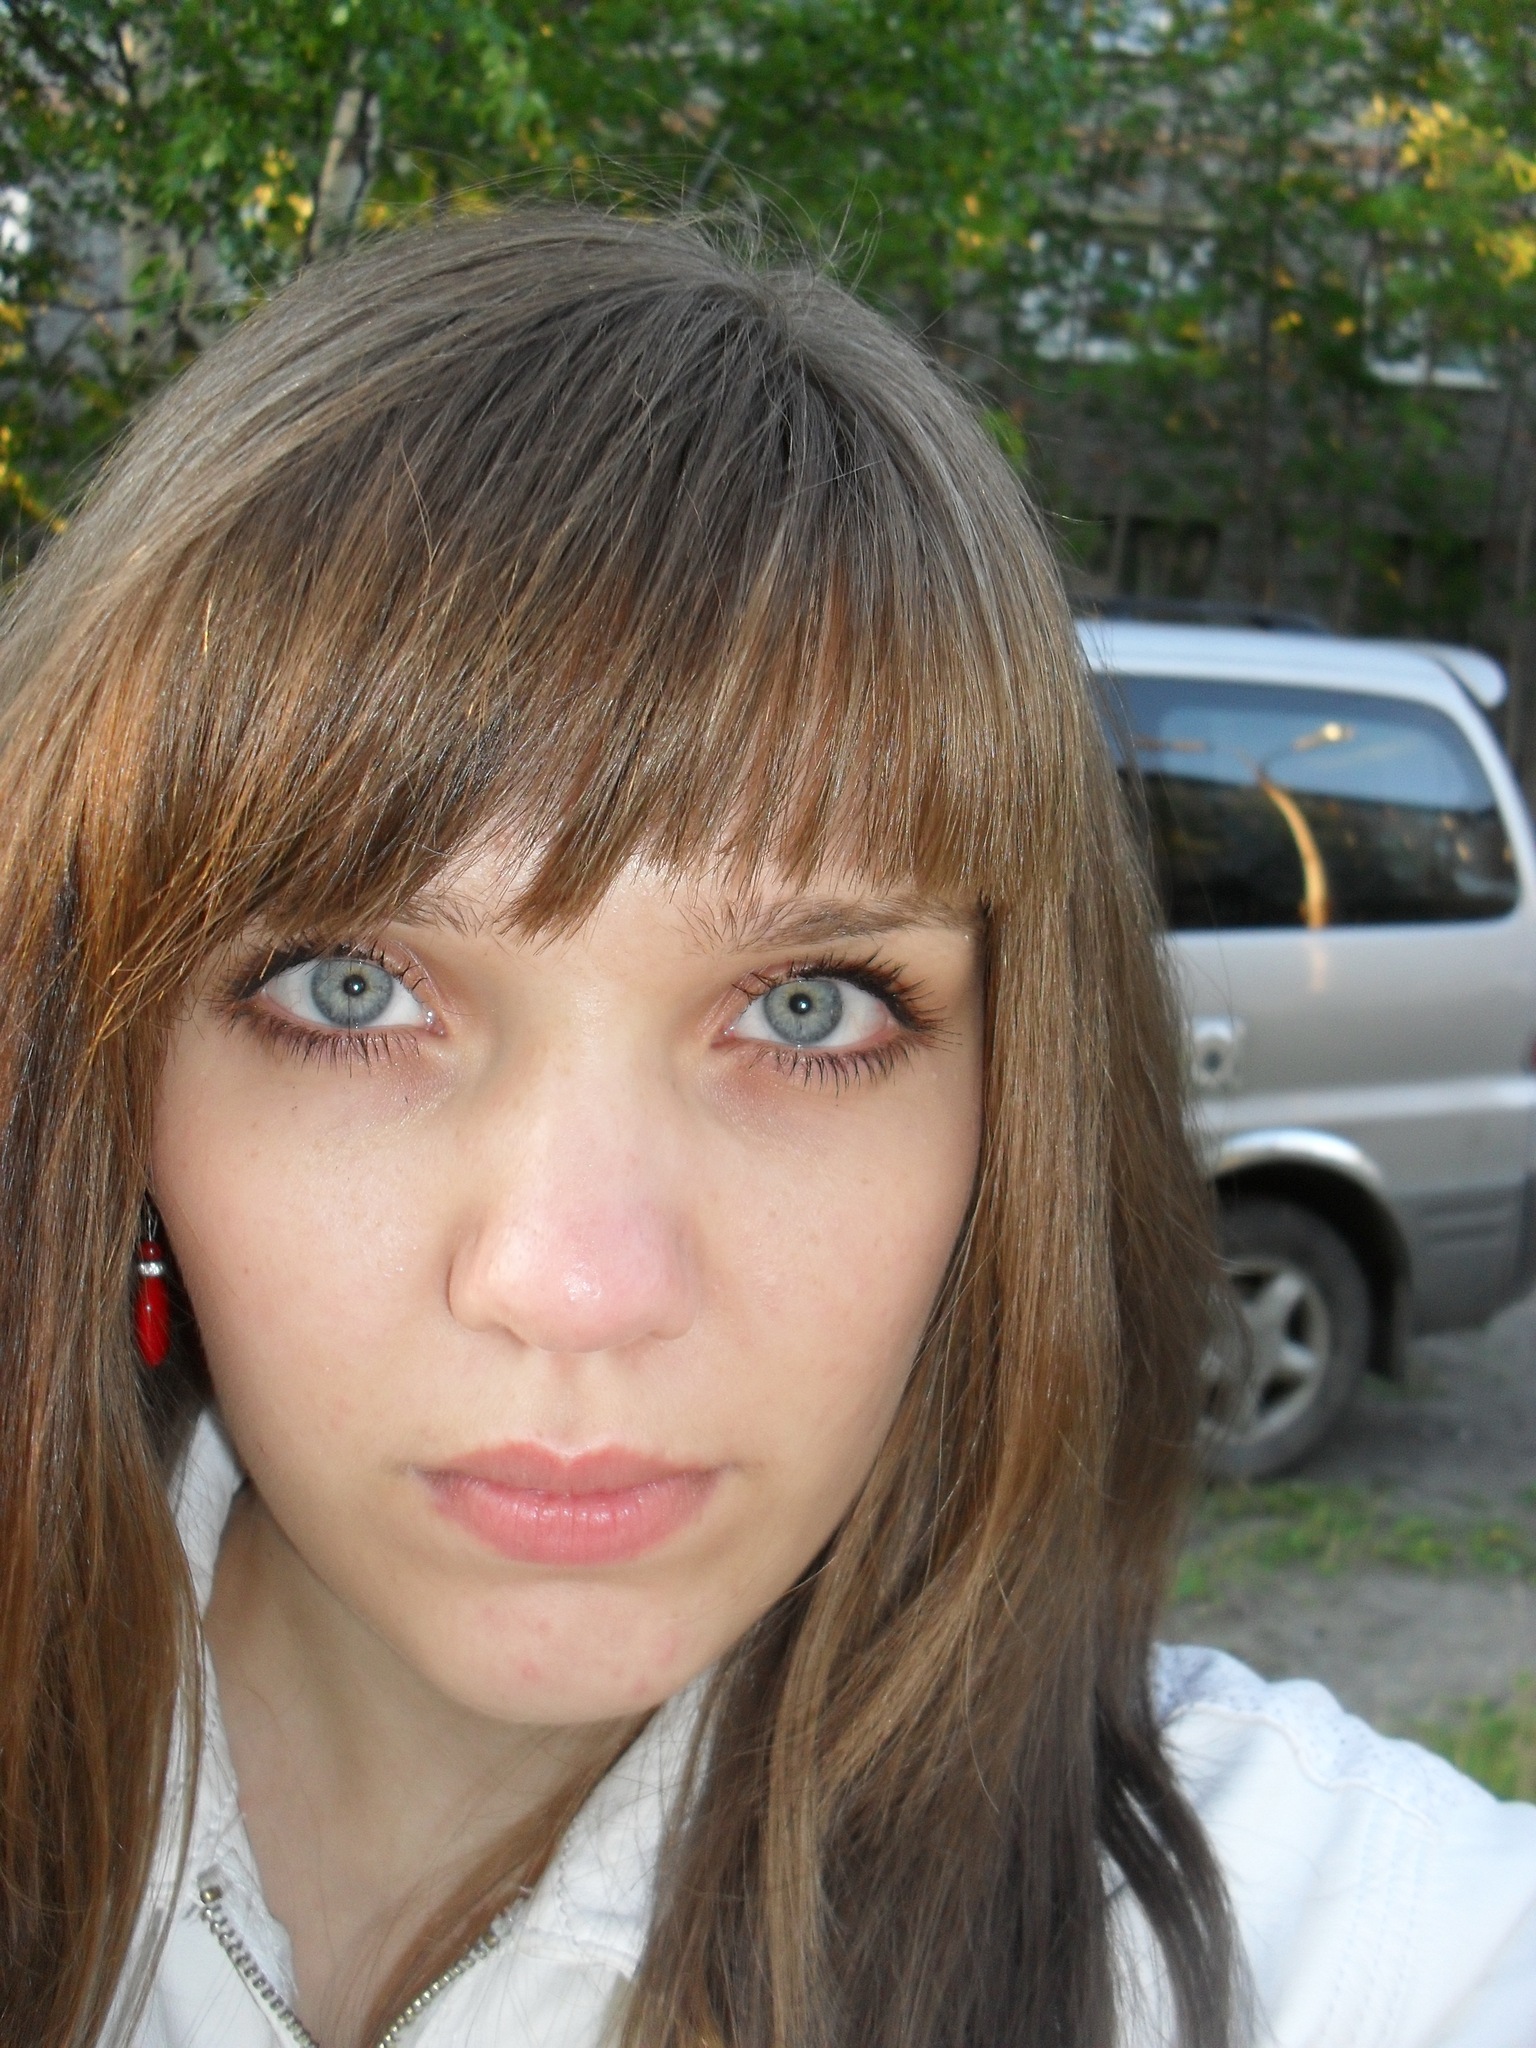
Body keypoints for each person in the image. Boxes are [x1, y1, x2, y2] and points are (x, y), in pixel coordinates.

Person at [0, 208, 1531, 2048]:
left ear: (1011, 1115)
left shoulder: (1345, 1950)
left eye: (808, 1008)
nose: (579, 1284)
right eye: (349, 992)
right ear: (106, 1080)